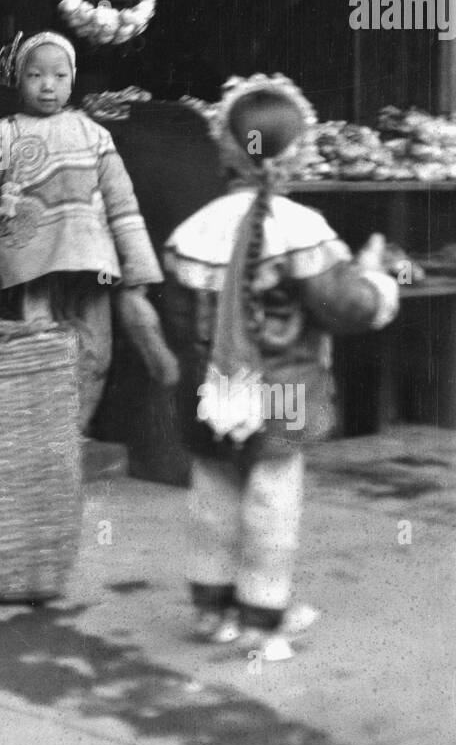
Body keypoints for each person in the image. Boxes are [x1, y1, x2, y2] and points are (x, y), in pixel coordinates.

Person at [161, 74, 399, 661]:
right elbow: (345, 307)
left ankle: (212, 612)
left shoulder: (191, 231)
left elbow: (175, 321)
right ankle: (263, 621)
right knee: (272, 501)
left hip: (209, 392)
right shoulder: (302, 230)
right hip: (281, 394)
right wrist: (375, 278)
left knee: (213, 495)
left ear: (227, 149)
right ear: (293, 156)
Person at [0, 31, 179, 430]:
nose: (47, 85)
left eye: (58, 75)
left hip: (91, 264)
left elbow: (122, 205)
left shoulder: (93, 134)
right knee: (38, 350)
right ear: (19, 81)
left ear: (72, 80)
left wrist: (139, 269)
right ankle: (44, 434)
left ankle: (75, 432)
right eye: (35, 75)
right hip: (30, 267)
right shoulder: (0, 135)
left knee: (93, 353)